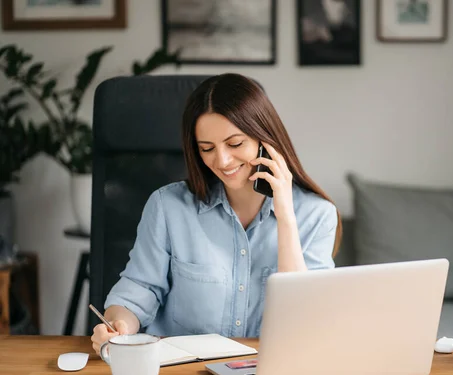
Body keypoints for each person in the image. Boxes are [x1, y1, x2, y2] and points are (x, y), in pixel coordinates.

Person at [90, 73, 342, 355]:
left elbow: (304, 324)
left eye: (235, 144)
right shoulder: (167, 206)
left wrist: (285, 215)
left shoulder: (317, 215)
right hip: (183, 374)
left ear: (265, 140)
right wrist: (118, 325)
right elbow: (139, 289)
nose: (221, 161)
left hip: (267, 370)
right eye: (207, 149)